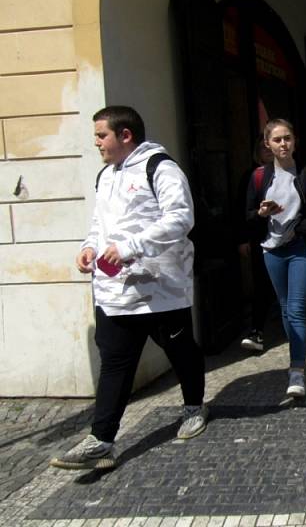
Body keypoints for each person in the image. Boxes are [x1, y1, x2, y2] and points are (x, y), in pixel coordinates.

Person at [50, 106, 207, 471]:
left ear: (125, 135)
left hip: (161, 288)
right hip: (115, 292)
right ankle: (101, 441)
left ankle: (195, 406)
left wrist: (130, 247)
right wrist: (88, 247)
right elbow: (99, 224)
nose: (96, 143)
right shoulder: (105, 176)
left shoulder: (161, 168)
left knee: (180, 350)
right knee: (115, 364)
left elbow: (180, 218)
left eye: (101, 135)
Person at [245, 119, 306, 397]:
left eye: (287, 138)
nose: (283, 144)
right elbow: (246, 216)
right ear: (267, 144)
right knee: (285, 307)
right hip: (272, 251)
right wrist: (260, 214)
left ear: (295, 141)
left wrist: (299, 229)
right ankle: (298, 356)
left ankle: (297, 370)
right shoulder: (259, 177)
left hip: (301, 250)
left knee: (295, 308)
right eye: (277, 140)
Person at [239, 129, 275, 352]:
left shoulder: (290, 173)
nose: (268, 151)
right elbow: (242, 211)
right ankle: (257, 330)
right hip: (259, 238)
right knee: (261, 285)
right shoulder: (252, 176)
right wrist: (242, 238)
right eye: (264, 147)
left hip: (285, 239)